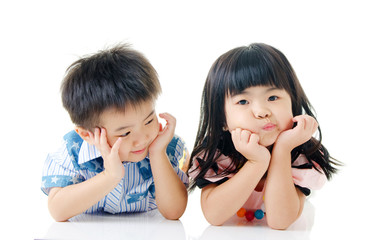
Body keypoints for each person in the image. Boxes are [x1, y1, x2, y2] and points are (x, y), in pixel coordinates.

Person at [187, 43, 339, 229]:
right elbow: (214, 216)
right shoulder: (218, 155)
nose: (261, 112)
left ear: (293, 101)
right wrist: (256, 162)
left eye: (273, 98)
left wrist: (283, 149)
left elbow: (280, 222)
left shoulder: (300, 154)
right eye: (243, 101)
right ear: (222, 120)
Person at [41, 44, 188, 222]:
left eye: (149, 121)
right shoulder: (74, 151)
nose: (142, 139)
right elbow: (58, 211)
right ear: (88, 135)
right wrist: (109, 176)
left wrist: (157, 154)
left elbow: (174, 212)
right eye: (125, 133)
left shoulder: (163, 145)